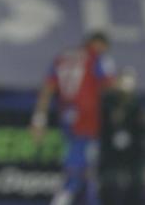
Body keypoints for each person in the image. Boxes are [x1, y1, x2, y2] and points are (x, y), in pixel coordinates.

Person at [30, 32, 116, 205]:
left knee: (82, 169)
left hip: (68, 117)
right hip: (86, 120)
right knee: (83, 171)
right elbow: (110, 86)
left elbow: (48, 88)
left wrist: (39, 119)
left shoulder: (62, 57)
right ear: (97, 44)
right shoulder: (96, 58)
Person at [99, 67, 145, 205]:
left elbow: (143, 132)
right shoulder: (107, 103)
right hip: (110, 155)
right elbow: (103, 129)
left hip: (133, 154)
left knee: (135, 184)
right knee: (109, 185)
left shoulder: (137, 107)